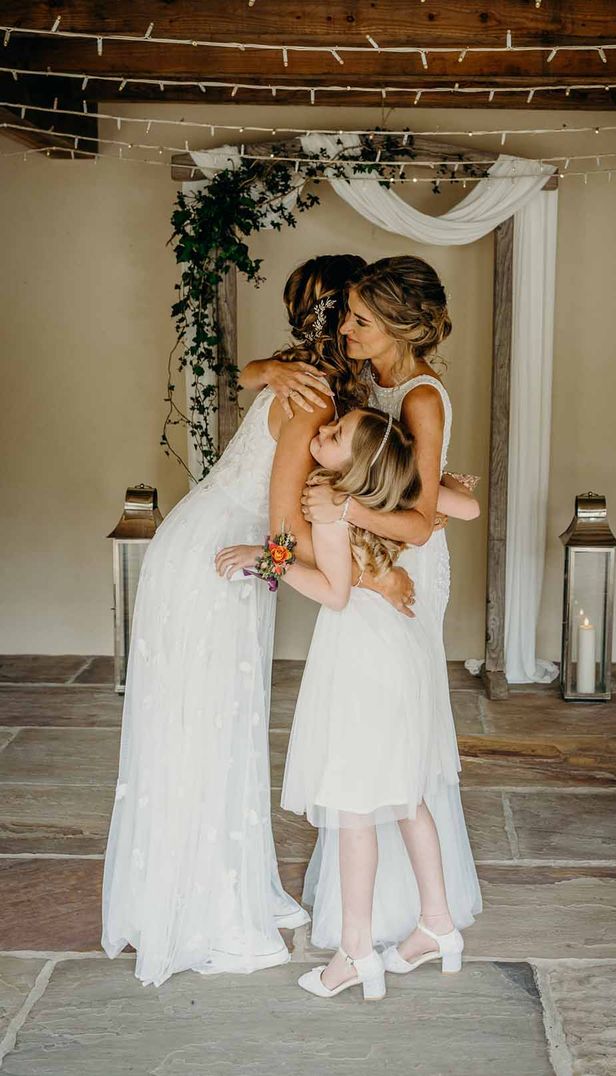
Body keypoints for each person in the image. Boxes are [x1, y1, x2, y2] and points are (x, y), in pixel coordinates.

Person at [101, 254, 415, 987]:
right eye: (360, 312)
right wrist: (375, 573)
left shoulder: (309, 383)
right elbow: (282, 528)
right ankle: (201, 908)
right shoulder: (308, 399)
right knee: (205, 727)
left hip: (223, 554)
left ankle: (217, 884)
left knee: (220, 724)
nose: (363, 325)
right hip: (220, 561)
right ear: (342, 319)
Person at [244, 255, 483, 986]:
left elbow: (416, 520)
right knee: (394, 759)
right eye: (345, 315)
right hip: (368, 552)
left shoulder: (419, 399)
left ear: (402, 328)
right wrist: (266, 373)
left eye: (361, 320)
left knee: (377, 746)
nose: (346, 330)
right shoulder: (370, 381)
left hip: (400, 568)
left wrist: (347, 517)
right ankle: (416, 918)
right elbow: (420, 482)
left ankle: (370, 935)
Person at [215, 404, 479, 1000]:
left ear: (360, 466)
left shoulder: (331, 501)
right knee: (408, 796)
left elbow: (333, 592)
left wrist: (265, 564)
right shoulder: (399, 500)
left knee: (355, 809)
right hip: (403, 653)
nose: (322, 436)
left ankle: (355, 951)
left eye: (335, 436)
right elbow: (465, 506)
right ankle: (438, 925)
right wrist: (425, 482)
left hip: (363, 661)